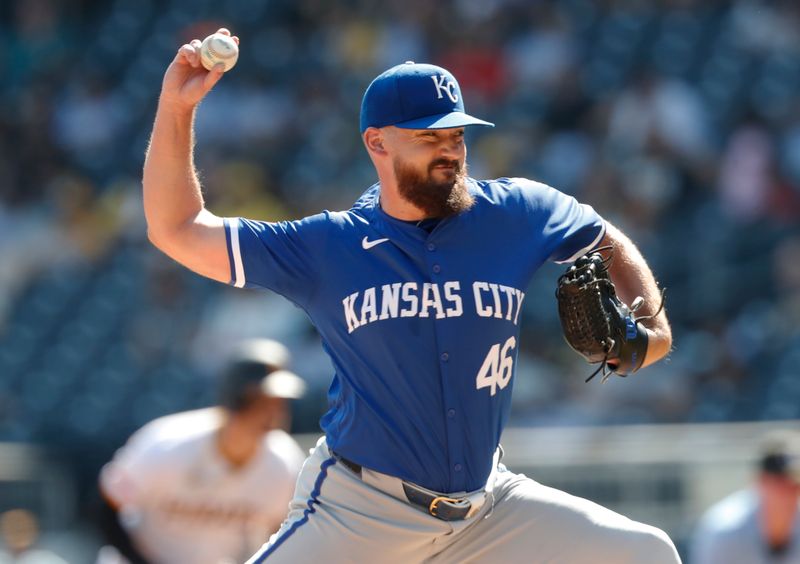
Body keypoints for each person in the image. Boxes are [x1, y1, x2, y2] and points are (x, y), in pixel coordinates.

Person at [142, 27, 679, 563]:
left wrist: (651, 328)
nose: (448, 149)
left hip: (488, 509)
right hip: (360, 512)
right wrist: (176, 107)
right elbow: (179, 228)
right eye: (428, 137)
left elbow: (604, 236)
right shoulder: (331, 246)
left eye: (457, 136)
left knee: (648, 553)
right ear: (377, 142)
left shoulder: (517, 212)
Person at [97, 339, 306, 564]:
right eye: (261, 401)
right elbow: (107, 505)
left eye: (278, 403)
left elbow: (283, 535)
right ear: (234, 398)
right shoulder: (169, 444)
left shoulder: (285, 464)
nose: (273, 413)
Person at [691, 430, 800, 563]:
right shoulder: (725, 531)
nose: (790, 494)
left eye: (796, 486)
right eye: (781, 484)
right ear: (760, 482)